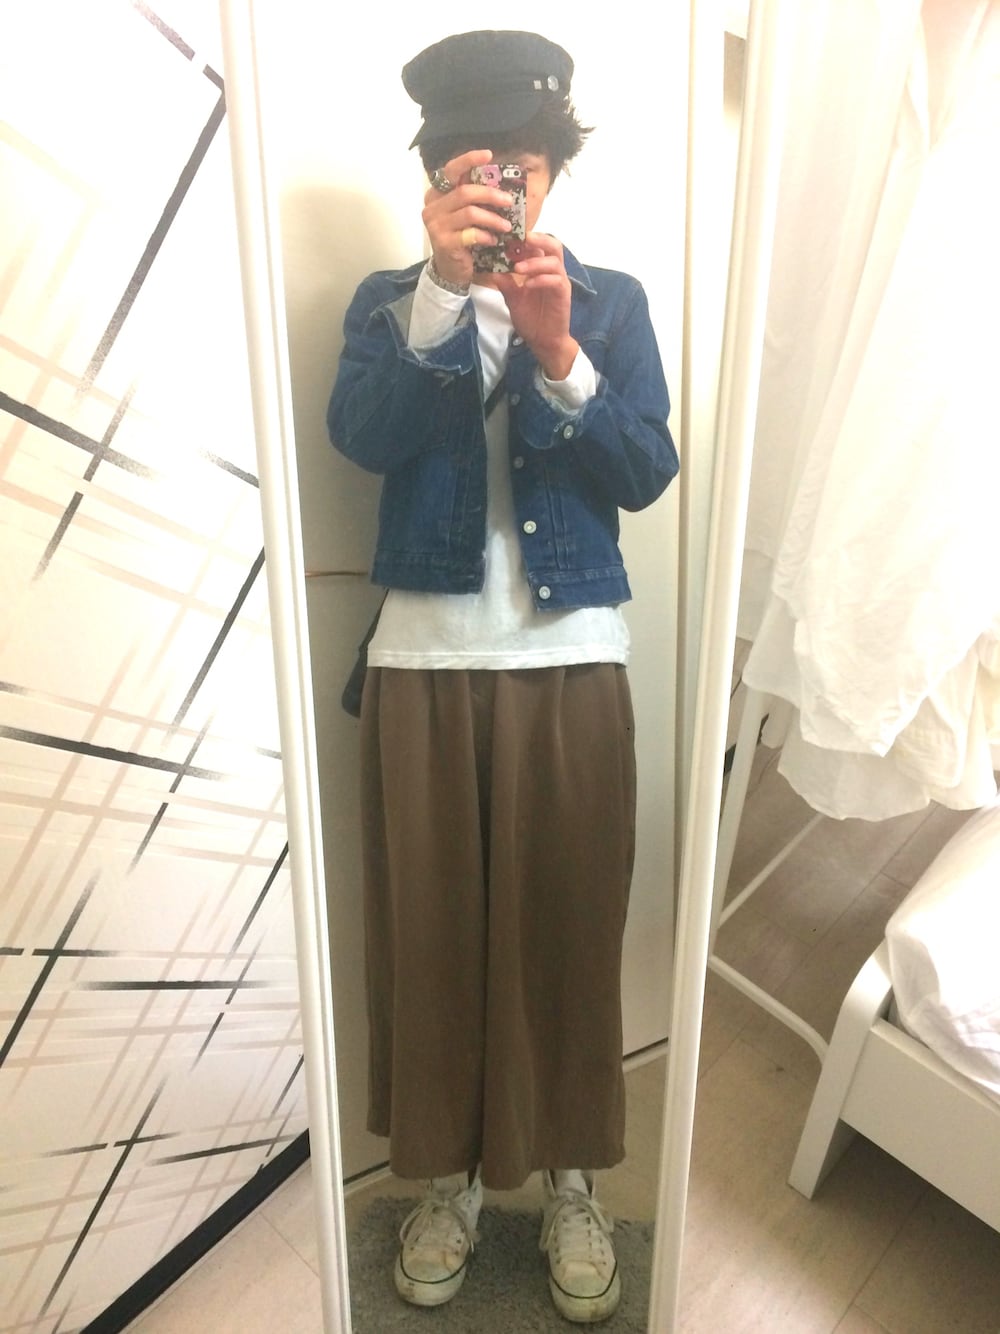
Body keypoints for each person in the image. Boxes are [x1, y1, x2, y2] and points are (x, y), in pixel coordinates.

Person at [327, 29, 678, 1324]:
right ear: (435, 179)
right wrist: (437, 293)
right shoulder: (390, 300)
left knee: (569, 926)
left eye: (520, 168)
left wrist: (558, 354)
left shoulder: (611, 300)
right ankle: (451, 1182)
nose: (502, 192)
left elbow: (645, 469)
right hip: (423, 662)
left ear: (554, 172)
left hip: (570, 657)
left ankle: (575, 1176)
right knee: (432, 940)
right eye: (475, 170)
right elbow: (362, 435)